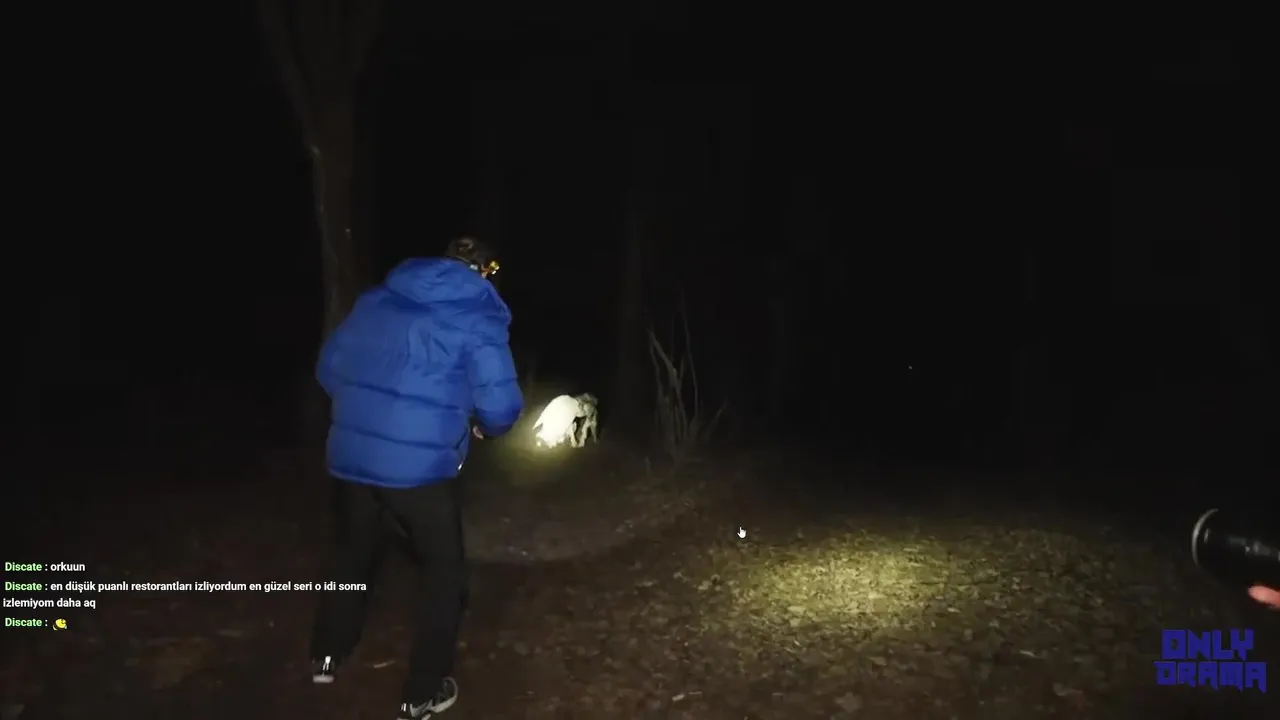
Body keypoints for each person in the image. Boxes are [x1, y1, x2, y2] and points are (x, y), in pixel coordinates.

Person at [309, 237, 522, 719]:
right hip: (418, 469)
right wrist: (483, 426)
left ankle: (326, 654)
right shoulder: (477, 316)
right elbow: (500, 407)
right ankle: (421, 692)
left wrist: (367, 407)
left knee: (352, 554)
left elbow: (329, 368)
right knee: (445, 574)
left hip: (352, 455)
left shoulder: (377, 299)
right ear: (480, 272)